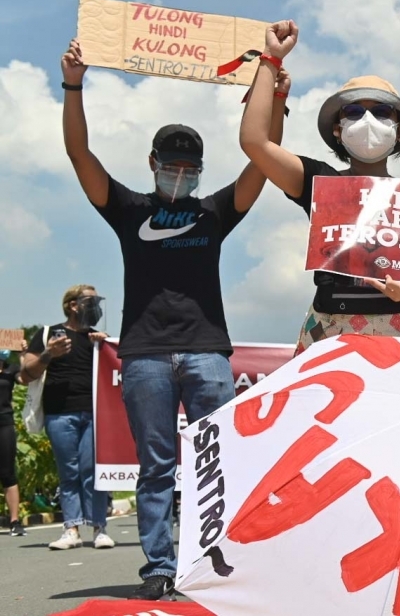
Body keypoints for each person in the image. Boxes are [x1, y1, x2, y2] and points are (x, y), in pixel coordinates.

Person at [60, 39, 285, 599]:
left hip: (208, 351)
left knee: (218, 463)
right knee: (157, 468)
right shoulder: (130, 209)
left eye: (191, 166)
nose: (181, 173)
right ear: (153, 164)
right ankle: (159, 567)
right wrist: (72, 84)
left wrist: (273, 88)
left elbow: (264, 156)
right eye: (173, 164)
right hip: (144, 358)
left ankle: (216, 558)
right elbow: (79, 155)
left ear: (200, 170)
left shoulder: (214, 212)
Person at [240, 21, 400, 353]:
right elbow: (255, 142)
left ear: (398, 130)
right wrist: (271, 60)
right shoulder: (320, 183)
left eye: (382, 112)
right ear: (338, 129)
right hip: (331, 334)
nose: (368, 121)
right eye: (354, 111)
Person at [20, 286, 113, 550]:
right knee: (68, 472)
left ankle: (99, 528)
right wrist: (50, 354)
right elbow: (26, 374)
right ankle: (71, 528)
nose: (96, 306)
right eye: (91, 301)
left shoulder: (98, 339)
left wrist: (106, 347)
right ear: (73, 305)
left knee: (94, 472)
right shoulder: (49, 334)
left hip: (95, 414)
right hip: (59, 413)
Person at [1, 343, 26, 536]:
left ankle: (15, 521)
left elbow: (25, 379)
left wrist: (23, 354)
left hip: (4, 423)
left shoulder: (11, 369)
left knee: (8, 472)